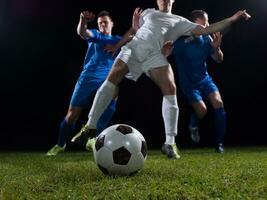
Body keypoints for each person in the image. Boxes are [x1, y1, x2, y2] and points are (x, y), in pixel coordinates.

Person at [71, 0, 251, 159]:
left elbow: (209, 29)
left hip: (155, 55)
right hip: (133, 49)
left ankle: (170, 143)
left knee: (170, 87)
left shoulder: (180, 21)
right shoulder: (148, 12)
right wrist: (119, 45)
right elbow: (134, 30)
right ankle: (90, 127)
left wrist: (233, 18)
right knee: (113, 77)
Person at [46, 10, 122, 156]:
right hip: (86, 79)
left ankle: (92, 137)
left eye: (105, 22)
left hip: (106, 80)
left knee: (114, 91)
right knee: (72, 115)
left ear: (112, 24)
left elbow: (133, 38)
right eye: (100, 23)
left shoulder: (118, 41)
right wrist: (83, 20)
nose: (102, 25)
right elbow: (82, 32)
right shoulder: (96, 35)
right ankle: (60, 144)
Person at [171, 10, 226, 153]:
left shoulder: (207, 39)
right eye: (205, 22)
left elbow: (219, 60)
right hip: (189, 84)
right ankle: (193, 124)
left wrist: (217, 48)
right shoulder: (181, 39)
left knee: (219, 104)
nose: (208, 25)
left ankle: (219, 143)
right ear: (195, 23)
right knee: (202, 111)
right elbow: (166, 52)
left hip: (205, 79)